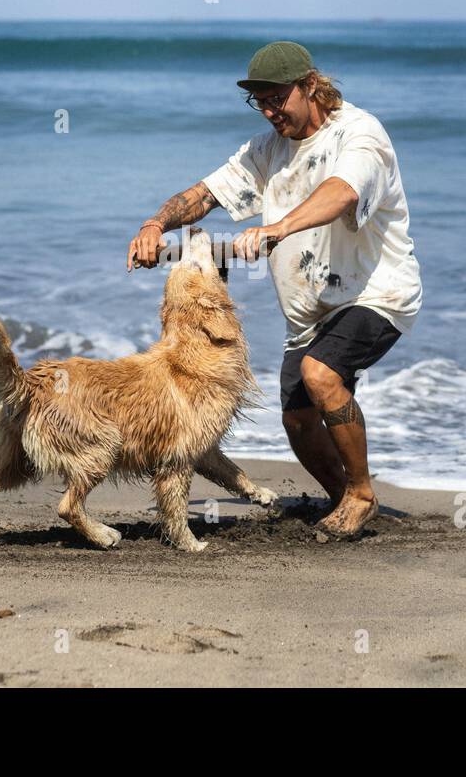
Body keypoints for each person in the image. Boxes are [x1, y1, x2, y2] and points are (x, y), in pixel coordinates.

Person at [128, 41, 422, 535]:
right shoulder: (268, 149)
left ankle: (363, 491)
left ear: (310, 86)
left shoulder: (359, 134)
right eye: (258, 102)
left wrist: (276, 228)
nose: (268, 112)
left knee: (321, 374)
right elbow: (205, 195)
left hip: (376, 292)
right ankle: (342, 497)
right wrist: (156, 224)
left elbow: (341, 192)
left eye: (276, 99)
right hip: (309, 311)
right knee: (298, 422)